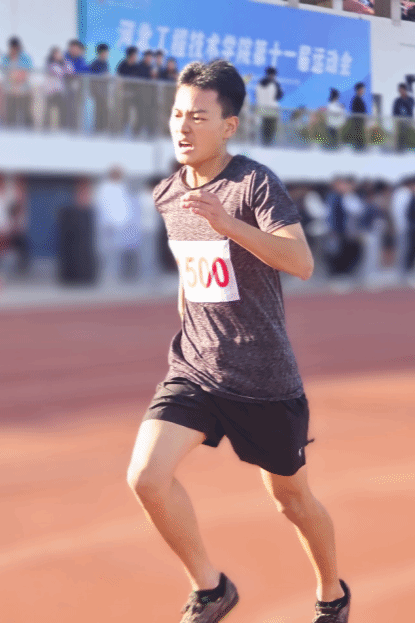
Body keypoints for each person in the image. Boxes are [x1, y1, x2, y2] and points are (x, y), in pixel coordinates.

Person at [127, 59, 350, 623]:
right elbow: (191, 273)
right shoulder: (167, 193)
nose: (183, 127)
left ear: (228, 126)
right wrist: (188, 321)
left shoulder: (254, 183)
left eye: (198, 117)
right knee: (146, 476)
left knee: (291, 501)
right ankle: (210, 588)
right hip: (196, 368)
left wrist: (228, 224)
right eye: (177, 114)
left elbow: (300, 262)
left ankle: (332, 593)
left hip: (264, 377)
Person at [94, 165, 134, 285]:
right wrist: (106, 221)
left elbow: (126, 206)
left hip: (119, 225)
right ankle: (106, 274)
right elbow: (101, 205)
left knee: (118, 250)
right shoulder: (104, 188)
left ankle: (115, 274)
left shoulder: (123, 187)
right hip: (107, 225)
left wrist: (127, 221)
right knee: (105, 250)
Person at [1, 37, 33, 128]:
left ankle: (29, 131)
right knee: (11, 114)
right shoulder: (6, 58)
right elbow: (4, 70)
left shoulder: (25, 57)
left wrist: (18, 76)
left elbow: (27, 72)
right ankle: (9, 131)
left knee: (26, 114)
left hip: (24, 91)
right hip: (10, 91)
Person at [64, 39, 89, 131]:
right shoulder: (64, 59)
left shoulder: (82, 60)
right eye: (72, 48)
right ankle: (65, 128)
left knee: (77, 109)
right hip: (66, 88)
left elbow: (85, 71)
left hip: (79, 89)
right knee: (66, 108)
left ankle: (76, 129)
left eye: (76, 48)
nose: (74, 50)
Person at [117, 46, 142, 135]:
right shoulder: (122, 65)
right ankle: (121, 130)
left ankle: (135, 132)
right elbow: (119, 79)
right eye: (135, 55)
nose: (136, 57)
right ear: (131, 55)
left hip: (135, 95)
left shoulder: (137, 66)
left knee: (135, 114)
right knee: (124, 112)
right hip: (124, 94)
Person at [255, 66, 282, 146]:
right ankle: (268, 143)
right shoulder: (275, 84)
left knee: (264, 127)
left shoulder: (260, 83)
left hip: (262, 108)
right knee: (270, 128)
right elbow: (279, 96)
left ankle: (264, 143)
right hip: (272, 109)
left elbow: (256, 95)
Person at [44, 46, 68, 130]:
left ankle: (62, 126)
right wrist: (64, 69)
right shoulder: (51, 65)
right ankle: (46, 126)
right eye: (57, 54)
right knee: (49, 108)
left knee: (62, 109)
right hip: (51, 91)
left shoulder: (63, 63)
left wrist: (64, 64)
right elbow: (60, 73)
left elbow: (70, 71)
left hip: (59, 90)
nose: (59, 55)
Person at [89, 43, 111, 133]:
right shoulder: (95, 63)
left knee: (105, 109)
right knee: (99, 110)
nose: (106, 54)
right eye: (105, 52)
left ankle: (104, 128)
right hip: (97, 91)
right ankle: (98, 129)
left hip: (104, 91)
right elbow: (92, 78)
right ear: (101, 53)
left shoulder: (105, 63)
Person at [392, 83, 415, 152]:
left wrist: (406, 100)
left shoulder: (410, 100)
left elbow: (411, 110)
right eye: (400, 90)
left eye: (402, 90)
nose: (401, 92)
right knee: (400, 141)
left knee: (408, 140)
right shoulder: (397, 101)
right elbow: (394, 113)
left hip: (408, 124)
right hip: (400, 125)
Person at [349, 82, 367, 150]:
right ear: (359, 90)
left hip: (360, 123)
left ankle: (360, 147)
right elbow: (356, 112)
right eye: (362, 89)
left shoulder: (359, 99)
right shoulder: (356, 100)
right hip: (358, 124)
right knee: (358, 140)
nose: (363, 91)